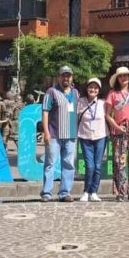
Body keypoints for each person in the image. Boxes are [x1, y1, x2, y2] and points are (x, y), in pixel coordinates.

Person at [41, 66, 80, 202]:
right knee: (50, 163)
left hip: (71, 135)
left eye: (68, 76)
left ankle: (65, 193)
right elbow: (45, 112)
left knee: (69, 165)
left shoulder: (76, 93)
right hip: (54, 134)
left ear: (72, 78)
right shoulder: (51, 92)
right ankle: (47, 193)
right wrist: (46, 132)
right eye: (63, 75)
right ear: (59, 77)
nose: (66, 78)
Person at [105, 66, 129, 202]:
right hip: (119, 129)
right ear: (117, 79)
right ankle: (120, 192)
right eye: (121, 76)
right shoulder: (112, 94)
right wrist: (116, 127)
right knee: (119, 161)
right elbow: (108, 115)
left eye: (126, 75)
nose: (124, 78)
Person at [77, 78, 106, 202]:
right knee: (90, 166)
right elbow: (75, 116)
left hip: (100, 136)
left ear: (99, 90)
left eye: (95, 88)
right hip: (85, 136)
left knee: (98, 166)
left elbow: (109, 117)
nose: (93, 90)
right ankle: (86, 191)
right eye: (90, 87)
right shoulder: (81, 101)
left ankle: (94, 191)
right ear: (87, 88)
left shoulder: (103, 103)